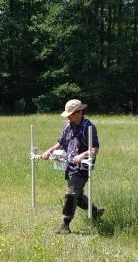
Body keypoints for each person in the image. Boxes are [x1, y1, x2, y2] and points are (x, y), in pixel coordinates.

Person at [41, 99, 104, 234]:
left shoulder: (89, 127)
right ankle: (95, 212)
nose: (69, 117)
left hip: (83, 166)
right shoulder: (67, 126)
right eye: (68, 115)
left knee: (71, 193)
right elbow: (61, 143)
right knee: (78, 195)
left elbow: (95, 149)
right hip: (69, 165)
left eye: (71, 114)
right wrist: (49, 151)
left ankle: (65, 224)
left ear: (80, 112)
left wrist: (81, 156)